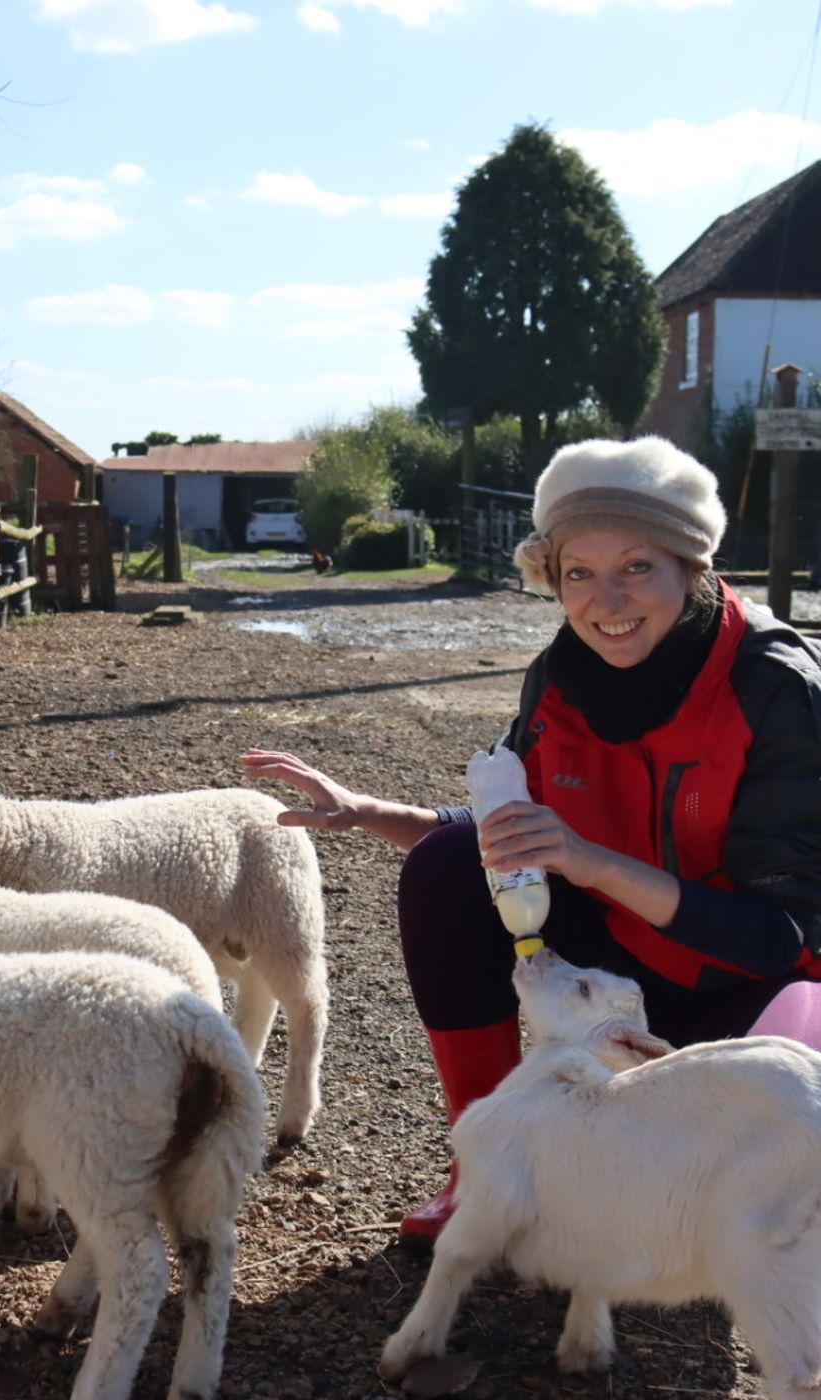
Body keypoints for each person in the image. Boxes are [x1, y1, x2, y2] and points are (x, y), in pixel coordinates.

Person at [242, 436, 821, 1242]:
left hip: (745, 985)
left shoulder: (773, 684)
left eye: (637, 567)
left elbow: (774, 937)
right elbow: (513, 835)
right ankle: (488, 1168)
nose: (606, 601)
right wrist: (369, 810)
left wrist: (589, 861)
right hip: (620, 970)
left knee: (749, 1183)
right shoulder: (561, 672)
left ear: (692, 566)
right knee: (447, 867)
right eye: (578, 573)